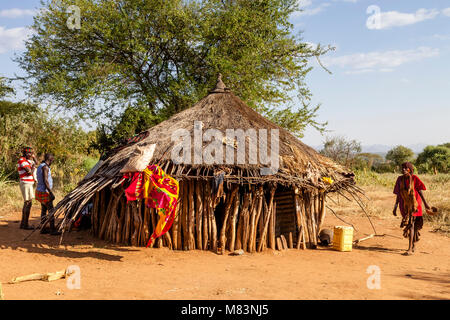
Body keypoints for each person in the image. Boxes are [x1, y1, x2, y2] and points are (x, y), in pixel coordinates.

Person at [393, 162, 431, 256]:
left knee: (411, 224)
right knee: (411, 225)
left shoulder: (414, 178)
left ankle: (410, 248)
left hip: (415, 205)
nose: (404, 170)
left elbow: (420, 190)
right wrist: (395, 206)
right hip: (404, 205)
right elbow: (398, 193)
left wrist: (426, 204)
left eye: (406, 168)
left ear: (410, 169)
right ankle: (413, 244)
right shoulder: (399, 179)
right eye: (402, 168)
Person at [35, 153, 60, 235]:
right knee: (51, 211)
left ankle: (43, 228)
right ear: (50, 159)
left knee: (43, 210)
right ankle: (52, 230)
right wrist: (51, 192)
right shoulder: (45, 167)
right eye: (52, 159)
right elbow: (46, 181)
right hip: (45, 192)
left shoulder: (41, 166)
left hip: (39, 191)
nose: (53, 161)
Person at [17, 147, 38, 229]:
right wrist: (33, 168)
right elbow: (29, 171)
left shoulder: (28, 161)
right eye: (28, 153)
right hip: (26, 183)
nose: (30, 155)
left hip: (28, 183)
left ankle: (23, 223)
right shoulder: (22, 160)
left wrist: (34, 157)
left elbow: (36, 162)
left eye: (31, 153)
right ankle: (25, 224)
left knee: (27, 203)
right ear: (25, 153)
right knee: (28, 203)